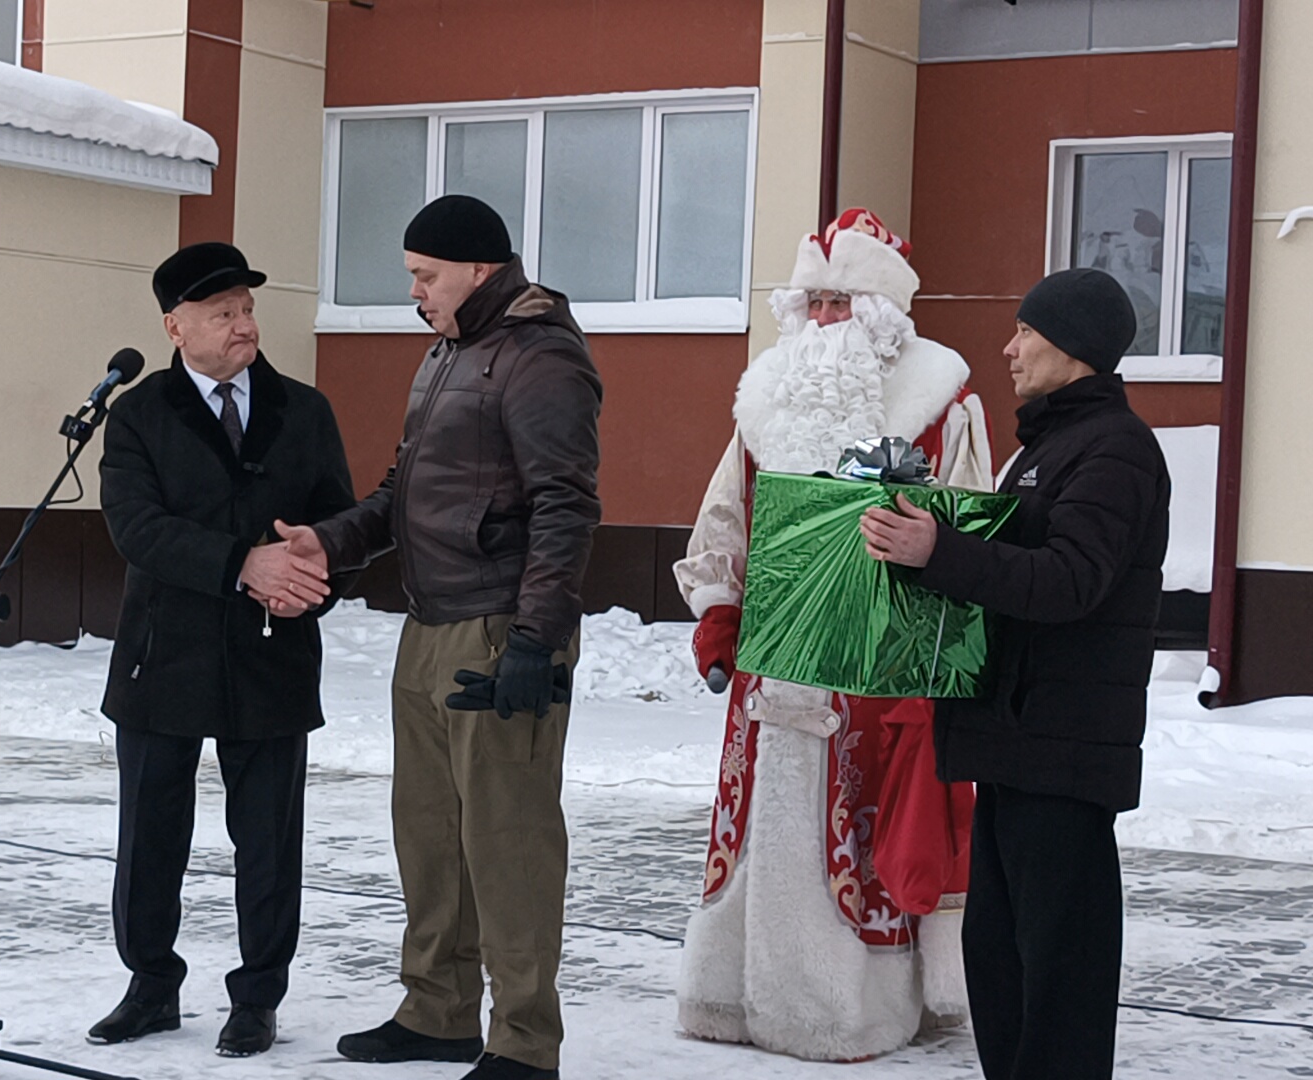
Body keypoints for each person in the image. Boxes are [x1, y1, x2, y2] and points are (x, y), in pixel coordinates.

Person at [278, 194, 602, 1080]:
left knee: (508, 841)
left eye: (426, 276)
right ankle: (439, 1012)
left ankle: (524, 1041)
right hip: (429, 624)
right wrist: (331, 541)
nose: (415, 292)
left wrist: (534, 641)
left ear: (478, 269)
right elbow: (404, 489)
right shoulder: (448, 353)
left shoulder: (539, 356)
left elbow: (565, 506)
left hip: (499, 630)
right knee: (430, 837)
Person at [672, 209, 990, 1061]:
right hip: (770, 663)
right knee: (761, 829)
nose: (822, 320)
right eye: (812, 302)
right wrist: (719, 609)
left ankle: (856, 1009)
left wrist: (940, 654)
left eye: (840, 303)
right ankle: (736, 994)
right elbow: (726, 510)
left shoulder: (942, 400)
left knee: (859, 836)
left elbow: (969, 524)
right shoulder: (765, 396)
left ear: (881, 310)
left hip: (876, 665)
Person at [860, 267, 1170, 1079]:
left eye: (1027, 331)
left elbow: (1070, 581)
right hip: (1014, 743)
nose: (1010, 348)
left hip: (1063, 753)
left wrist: (941, 552)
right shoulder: (1052, 446)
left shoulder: (1115, 449)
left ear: (1073, 345)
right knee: (1001, 968)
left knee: (1058, 979)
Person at [90, 241, 358, 1058]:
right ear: (175, 328)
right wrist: (243, 564)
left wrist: (309, 579)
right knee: (150, 834)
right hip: (163, 655)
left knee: (269, 842)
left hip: (271, 656)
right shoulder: (138, 415)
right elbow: (138, 529)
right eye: (221, 313)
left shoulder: (303, 410)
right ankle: (150, 985)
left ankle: (258, 996)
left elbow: (340, 525)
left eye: (247, 309)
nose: (243, 325)